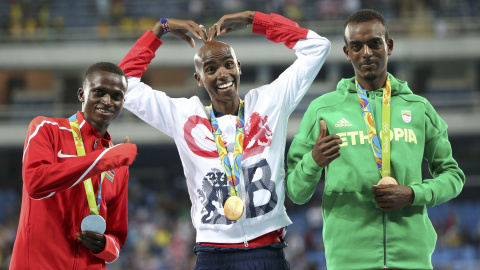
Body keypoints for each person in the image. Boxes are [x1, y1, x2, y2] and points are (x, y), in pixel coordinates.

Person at [118, 10, 330, 269]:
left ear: (238, 67)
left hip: (267, 251)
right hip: (212, 254)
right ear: (199, 78)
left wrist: (254, 20)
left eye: (228, 64)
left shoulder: (270, 103)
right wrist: (160, 29)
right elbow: (123, 84)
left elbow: (318, 47)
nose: (222, 74)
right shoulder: (183, 116)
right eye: (211, 68)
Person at [286, 8, 465, 270]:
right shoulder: (323, 110)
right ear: (347, 53)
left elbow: (453, 176)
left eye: (374, 43)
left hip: (411, 259)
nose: (366, 53)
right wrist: (313, 162)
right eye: (356, 46)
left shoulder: (418, 108)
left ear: (388, 46)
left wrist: (413, 193)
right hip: (348, 260)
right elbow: (295, 191)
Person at [10, 62, 138, 270]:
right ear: (81, 94)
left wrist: (105, 245)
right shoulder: (46, 129)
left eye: (116, 96)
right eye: (99, 92)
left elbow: (117, 234)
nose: (107, 101)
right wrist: (105, 159)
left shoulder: (118, 164)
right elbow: (36, 183)